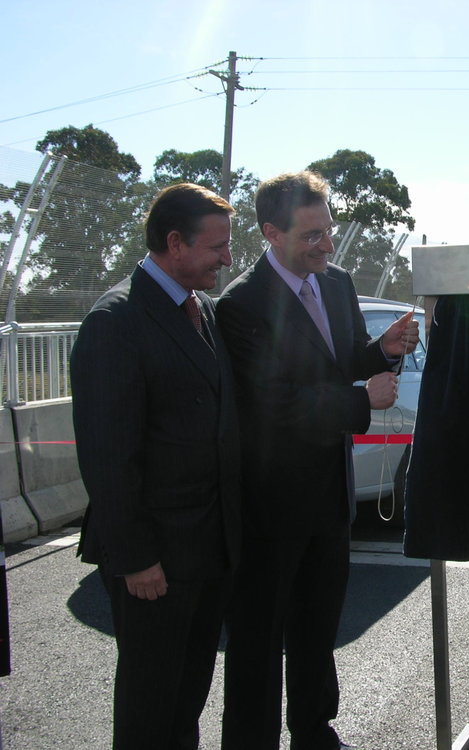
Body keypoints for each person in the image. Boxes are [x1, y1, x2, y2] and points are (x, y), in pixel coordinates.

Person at [217, 170, 418, 750]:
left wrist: (382, 350)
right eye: (313, 236)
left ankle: (313, 730)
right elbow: (272, 402)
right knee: (258, 635)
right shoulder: (241, 306)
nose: (328, 244)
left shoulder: (337, 284)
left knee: (317, 622)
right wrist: (361, 401)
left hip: (330, 490)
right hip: (269, 500)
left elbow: (344, 360)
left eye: (328, 231)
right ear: (271, 234)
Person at [71, 183, 241, 750]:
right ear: (174, 242)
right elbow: (107, 456)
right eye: (218, 246)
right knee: (150, 704)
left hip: (205, 549)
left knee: (187, 697)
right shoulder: (116, 321)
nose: (228, 258)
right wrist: (137, 557)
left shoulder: (202, 310)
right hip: (156, 560)